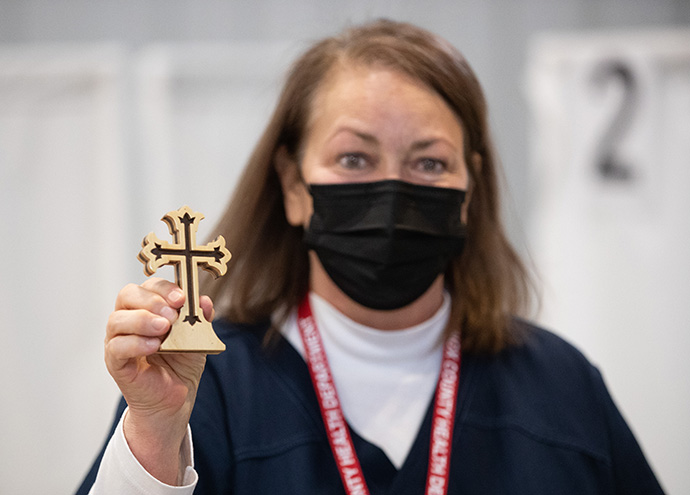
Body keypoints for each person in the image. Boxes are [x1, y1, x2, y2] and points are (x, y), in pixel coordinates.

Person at [76, 19, 664, 495]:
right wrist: (154, 433)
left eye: (429, 163)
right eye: (354, 159)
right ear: (293, 185)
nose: (392, 191)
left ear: (468, 191)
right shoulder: (209, 386)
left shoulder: (560, 386)